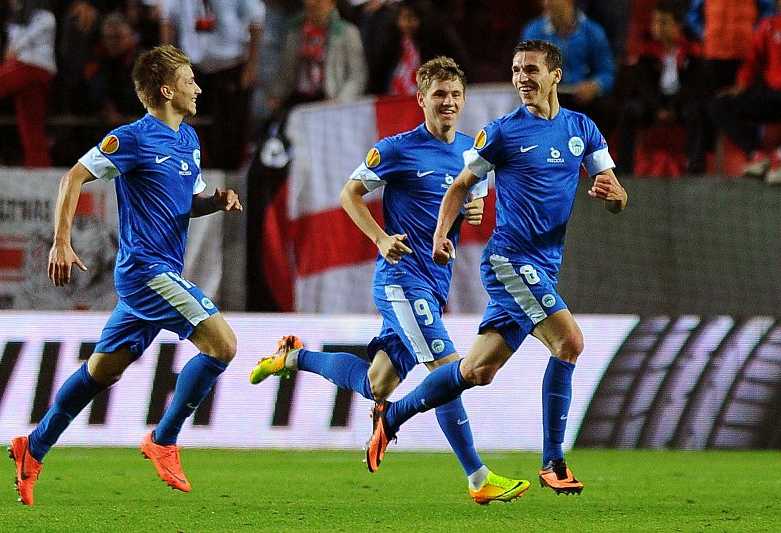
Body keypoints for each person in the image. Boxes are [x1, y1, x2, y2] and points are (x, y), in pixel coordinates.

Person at [250, 56, 531, 505]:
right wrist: (380, 238)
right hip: (402, 281)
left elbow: (472, 202)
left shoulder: (471, 152)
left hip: (434, 285)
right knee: (449, 370)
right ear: (421, 99)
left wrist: (473, 210)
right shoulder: (398, 148)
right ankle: (478, 479)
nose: (449, 102)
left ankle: (294, 358)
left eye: (456, 95)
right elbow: (349, 194)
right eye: (439, 94)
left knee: (378, 383)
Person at [363, 39, 628, 496]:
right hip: (510, 262)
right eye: (516, 69)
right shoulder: (501, 132)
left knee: (476, 372)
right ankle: (554, 462)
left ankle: (395, 415)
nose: (522, 78)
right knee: (569, 342)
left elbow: (618, 195)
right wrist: (441, 235)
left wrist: (615, 197)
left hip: (545, 266)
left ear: (555, 75)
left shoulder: (582, 128)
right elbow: (461, 186)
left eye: (531, 69)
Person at [8, 44, 243, 507]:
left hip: (159, 276)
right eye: (190, 79)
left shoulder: (189, 141)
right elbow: (72, 177)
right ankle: (164, 438)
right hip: (145, 272)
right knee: (224, 345)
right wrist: (61, 240)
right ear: (166, 90)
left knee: (101, 372)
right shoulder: (132, 139)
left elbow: (188, 204)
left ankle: (32, 446)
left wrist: (214, 202)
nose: (198, 86)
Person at [161, 0, 266, 170]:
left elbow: (256, 19)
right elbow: (168, 19)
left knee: (229, 128)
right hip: (192, 66)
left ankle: (230, 177)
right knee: (189, 123)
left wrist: (252, 63)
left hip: (230, 64)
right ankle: (191, 172)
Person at [616, 0, 708, 175]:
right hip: (653, 104)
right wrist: (658, 107)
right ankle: (624, 169)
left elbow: (695, 86)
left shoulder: (692, 50)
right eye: (655, 22)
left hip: (680, 102)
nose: (657, 27)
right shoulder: (646, 50)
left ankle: (696, 167)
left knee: (695, 111)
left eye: (663, 22)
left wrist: (672, 107)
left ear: (678, 25)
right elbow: (643, 86)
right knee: (629, 110)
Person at [521, 0, 616, 138]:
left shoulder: (593, 32)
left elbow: (607, 72)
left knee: (605, 109)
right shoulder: (533, 31)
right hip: (548, 96)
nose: (547, 3)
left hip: (584, 99)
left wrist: (595, 86)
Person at [709, 0, 781, 183]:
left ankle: (779, 158)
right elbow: (752, 61)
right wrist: (742, 84)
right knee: (719, 106)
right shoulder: (769, 26)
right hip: (772, 95)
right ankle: (757, 155)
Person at [0, 0, 56, 167]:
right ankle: (40, 169)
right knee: (32, 127)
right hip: (41, 69)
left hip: (29, 64)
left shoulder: (38, 9)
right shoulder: (18, 12)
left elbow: (47, 22)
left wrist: (16, 47)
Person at [267, 0, 368, 112]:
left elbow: (357, 75)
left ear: (332, 3)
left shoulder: (347, 32)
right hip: (296, 99)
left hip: (328, 102)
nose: (312, 3)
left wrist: (340, 100)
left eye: (319, 1)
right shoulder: (294, 27)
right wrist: (277, 93)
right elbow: (286, 66)